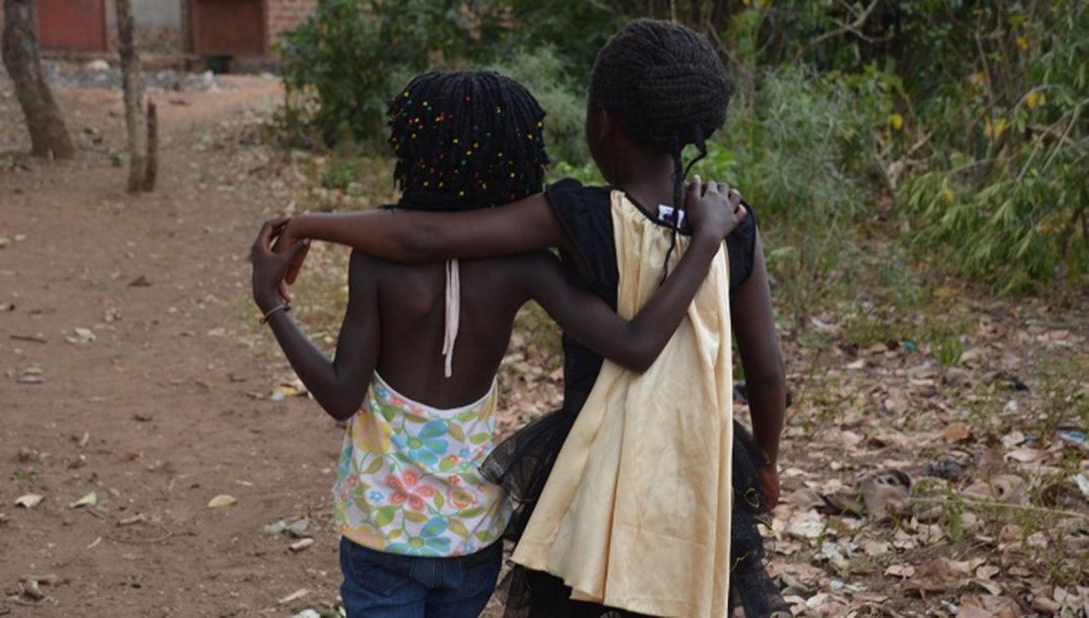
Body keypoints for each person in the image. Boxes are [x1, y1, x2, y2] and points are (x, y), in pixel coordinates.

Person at [273, 20, 788, 618]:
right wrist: (768, 462)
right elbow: (769, 372)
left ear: (603, 122)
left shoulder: (581, 215)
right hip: (697, 467)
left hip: (591, 470)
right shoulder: (731, 222)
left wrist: (305, 225)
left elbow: (418, 235)